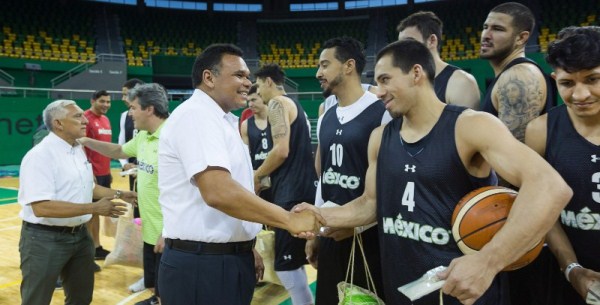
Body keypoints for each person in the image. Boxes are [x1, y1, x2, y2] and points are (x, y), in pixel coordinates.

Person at [294, 39, 572, 305]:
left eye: (385, 80)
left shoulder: (471, 126)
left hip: (462, 292)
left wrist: (488, 261)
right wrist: (319, 215)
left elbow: (549, 187)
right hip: (400, 290)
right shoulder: (380, 137)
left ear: (416, 73)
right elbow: (369, 204)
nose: (378, 92)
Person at [157, 43, 322, 305]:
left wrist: (247, 245)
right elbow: (219, 192)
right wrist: (288, 219)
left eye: (247, 76)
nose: (247, 83)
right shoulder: (197, 116)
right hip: (203, 265)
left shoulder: (222, 120)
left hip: (222, 257)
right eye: (239, 75)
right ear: (208, 78)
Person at [18, 99, 134, 305]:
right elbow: (41, 207)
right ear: (58, 124)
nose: (85, 121)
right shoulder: (40, 156)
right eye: (77, 117)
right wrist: (94, 208)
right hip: (45, 240)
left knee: (81, 298)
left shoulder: (77, 149)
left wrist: (119, 193)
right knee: (36, 299)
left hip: (81, 237)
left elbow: (87, 188)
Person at [311, 36, 391, 304]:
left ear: (348, 66)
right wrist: (315, 232)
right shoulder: (325, 117)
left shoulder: (382, 112)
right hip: (331, 234)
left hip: (370, 236)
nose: (318, 73)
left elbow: (391, 184)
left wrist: (358, 225)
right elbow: (324, 178)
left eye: (324, 65)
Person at [524, 26, 600, 305]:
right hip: (566, 278)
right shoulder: (540, 131)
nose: (580, 94)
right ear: (555, 79)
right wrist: (572, 269)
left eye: (593, 79)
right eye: (568, 83)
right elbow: (544, 212)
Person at [78, 83, 170, 305]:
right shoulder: (144, 136)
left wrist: (169, 231)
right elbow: (119, 151)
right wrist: (86, 141)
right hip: (150, 229)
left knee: (170, 287)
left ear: (149, 109)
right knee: (154, 284)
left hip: (168, 234)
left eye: (133, 108)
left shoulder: (171, 137)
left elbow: (188, 191)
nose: (129, 113)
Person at [254, 63, 317, 305]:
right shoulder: (296, 106)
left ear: (269, 81)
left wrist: (257, 175)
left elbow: (280, 151)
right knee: (293, 263)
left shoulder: (278, 104)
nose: (258, 92)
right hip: (301, 188)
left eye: (259, 86)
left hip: (291, 194)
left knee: (285, 267)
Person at [480, 2, 557, 142]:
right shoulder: (509, 74)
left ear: (521, 38)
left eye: (497, 29)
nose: (486, 35)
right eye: (485, 27)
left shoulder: (520, 75)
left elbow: (513, 153)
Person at [397, 11, 480, 109]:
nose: (402, 49)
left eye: (408, 42)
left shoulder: (460, 83)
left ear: (431, 41)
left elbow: (465, 124)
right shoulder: (407, 83)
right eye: (400, 44)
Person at [84, 89, 113, 261]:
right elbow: (80, 147)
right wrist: (89, 172)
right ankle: (88, 251)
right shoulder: (85, 119)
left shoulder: (106, 119)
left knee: (97, 212)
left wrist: (107, 172)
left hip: (104, 172)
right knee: (90, 213)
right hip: (92, 174)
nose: (106, 105)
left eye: (108, 102)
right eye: (102, 101)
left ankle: (96, 246)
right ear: (93, 101)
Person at [240, 84, 273, 202]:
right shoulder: (246, 125)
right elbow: (245, 157)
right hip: (258, 175)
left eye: (254, 100)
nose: (250, 105)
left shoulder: (276, 120)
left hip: (277, 173)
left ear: (262, 97)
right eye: (248, 101)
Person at [118, 78, 145, 192]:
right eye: (122, 95)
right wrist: (125, 164)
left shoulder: (159, 116)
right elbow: (121, 144)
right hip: (133, 172)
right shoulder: (125, 116)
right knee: (136, 207)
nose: (123, 99)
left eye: (126, 95)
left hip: (151, 173)